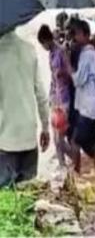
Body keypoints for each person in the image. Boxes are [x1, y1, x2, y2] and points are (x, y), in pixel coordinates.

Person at [0, 30, 50, 188]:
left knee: (6, 202)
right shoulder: (29, 49)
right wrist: (45, 127)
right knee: (28, 198)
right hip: (29, 137)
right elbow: (41, 94)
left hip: (5, 141)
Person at [68, 19, 95, 173]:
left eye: (77, 34)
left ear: (86, 35)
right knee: (91, 143)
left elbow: (78, 81)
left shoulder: (87, 54)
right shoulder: (90, 52)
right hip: (90, 103)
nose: (75, 37)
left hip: (87, 105)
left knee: (75, 142)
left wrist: (68, 64)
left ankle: (76, 175)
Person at [37, 25, 73, 168]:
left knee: (60, 138)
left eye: (43, 44)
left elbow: (70, 73)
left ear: (46, 40)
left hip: (64, 99)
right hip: (54, 98)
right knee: (56, 138)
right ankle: (63, 166)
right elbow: (52, 78)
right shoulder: (51, 53)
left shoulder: (61, 52)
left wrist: (62, 73)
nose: (43, 47)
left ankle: (75, 159)